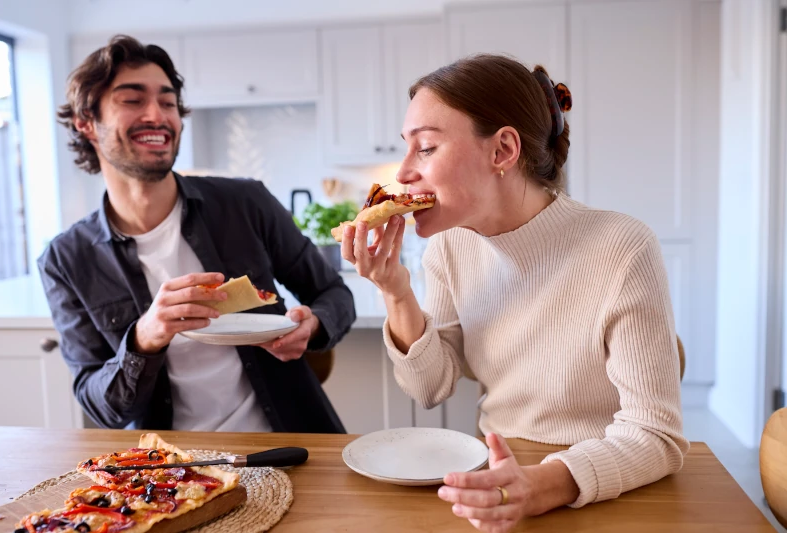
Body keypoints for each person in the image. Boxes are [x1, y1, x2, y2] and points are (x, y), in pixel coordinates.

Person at [342, 54, 688, 532]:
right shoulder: (448, 246)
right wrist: (397, 292)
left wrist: (544, 485)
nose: (401, 174)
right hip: (498, 478)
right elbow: (429, 387)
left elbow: (656, 436)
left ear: (502, 150)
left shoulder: (621, 247)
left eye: (425, 148)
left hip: (608, 485)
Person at [38, 35, 355, 433]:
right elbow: (104, 408)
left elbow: (334, 294)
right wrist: (144, 336)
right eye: (133, 100)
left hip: (293, 444)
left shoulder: (245, 202)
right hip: (174, 473)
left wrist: (313, 326)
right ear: (87, 123)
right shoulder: (66, 260)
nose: (158, 115)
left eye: (168, 102)